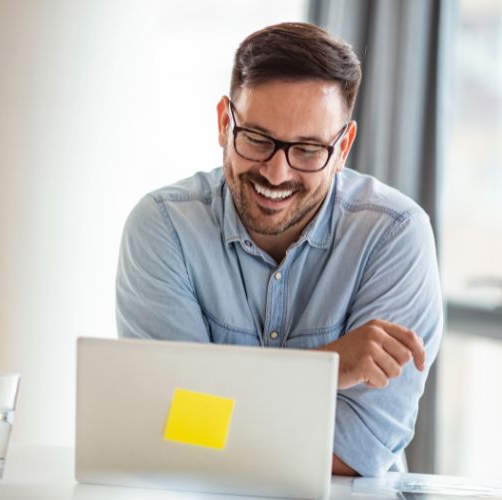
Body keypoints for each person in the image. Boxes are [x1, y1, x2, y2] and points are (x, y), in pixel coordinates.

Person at [116, 22, 442, 477]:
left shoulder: (395, 236)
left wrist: (214, 412)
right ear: (224, 123)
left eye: (307, 149)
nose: (275, 173)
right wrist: (329, 366)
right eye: (257, 139)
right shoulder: (164, 228)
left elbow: (357, 451)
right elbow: (169, 422)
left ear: (343, 147)